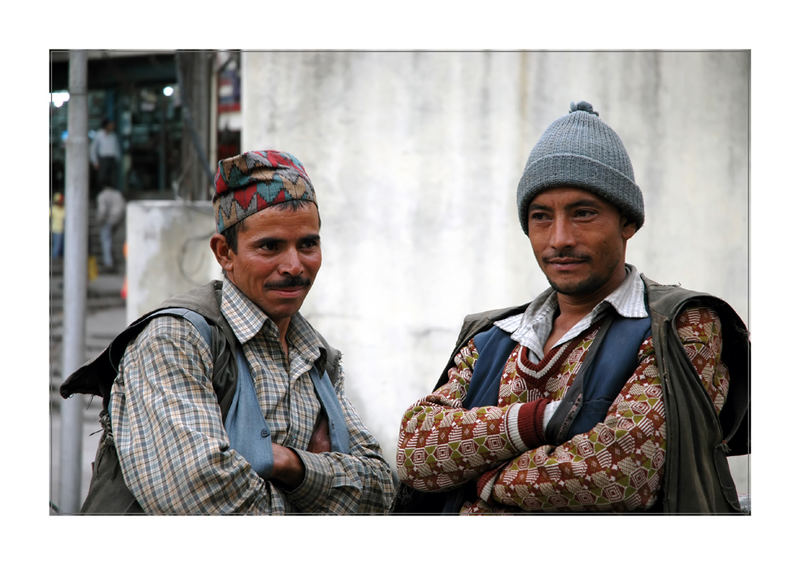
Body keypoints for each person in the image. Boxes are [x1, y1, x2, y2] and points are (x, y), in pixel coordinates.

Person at [393, 101, 749, 514]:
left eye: (583, 213)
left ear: (628, 222)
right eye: (541, 216)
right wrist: (540, 420)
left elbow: (619, 472)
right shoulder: (493, 338)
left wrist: (485, 478)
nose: (559, 238)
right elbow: (415, 452)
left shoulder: (679, 326)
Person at [61, 150, 396, 514]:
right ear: (225, 253)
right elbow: (207, 505)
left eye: (308, 244)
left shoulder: (316, 357)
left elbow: (381, 490)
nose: (294, 266)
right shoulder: (175, 341)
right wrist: (323, 489)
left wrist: (287, 463)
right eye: (270, 246)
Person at [95, 186, 126, 270]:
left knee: (105, 239)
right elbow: (123, 206)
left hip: (108, 219)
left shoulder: (102, 195)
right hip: (119, 219)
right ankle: (113, 259)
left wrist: (99, 220)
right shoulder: (117, 194)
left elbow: (102, 210)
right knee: (110, 239)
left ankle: (108, 263)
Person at [90, 118, 121, 188]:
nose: (112, 126)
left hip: (112, 159)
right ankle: (102, 194)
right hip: (103, 159)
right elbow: (93, 149)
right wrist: (95, 161)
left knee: (112, 179)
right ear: (106, 126)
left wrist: (117, 160)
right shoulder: (99, 135)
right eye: (111, 125)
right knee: (102, 178)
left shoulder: (113, 136)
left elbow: (116, 149)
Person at [50, 192, 65, 260]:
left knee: (62, 246)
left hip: (63, 230)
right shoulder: (53, 209)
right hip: (56, 230)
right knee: (57, 246)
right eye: (59, 201)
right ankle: (54, 259)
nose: (60, 202)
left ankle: (60, 259)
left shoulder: (64, 209)